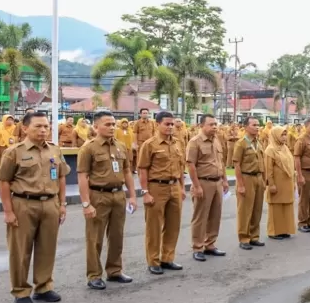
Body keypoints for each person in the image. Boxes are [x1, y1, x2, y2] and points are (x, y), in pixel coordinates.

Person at [0, 112, 69, 303]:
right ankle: (20, 291)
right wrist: (8, 211)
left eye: (46, 126)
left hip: (50, 203)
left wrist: (62, 204)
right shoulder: (14, 152)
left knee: (47, 248)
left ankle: (44, 287)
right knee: (20, 250)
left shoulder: (54, 150)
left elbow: (61, 177)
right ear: (25, 128)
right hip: (23, 203)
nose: (43, 130)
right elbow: (3, 181)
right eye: (38, 126)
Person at [77, 111, 138, 290]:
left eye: (113, 124)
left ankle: (115, 271)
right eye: (107, 124)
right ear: (96, 127)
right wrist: (86, 203)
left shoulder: (120, 146)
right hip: (98, 195)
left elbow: (127, 172)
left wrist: (132, 196)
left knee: (117, 236)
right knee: (94, 238)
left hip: (118, 195)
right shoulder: (89, 148)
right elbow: (82, 176)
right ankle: (94, 275)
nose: (112, 127)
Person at [137, 111, 187, 274]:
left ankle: (168, 258)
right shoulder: (150, 144)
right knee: (154, 226)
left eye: (172, 124)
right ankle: (153, 260)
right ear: (157, 124)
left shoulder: (178, 143)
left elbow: (180, 168)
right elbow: (142, 169)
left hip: (174, 187)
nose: (170, 127)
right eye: (167, 124)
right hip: (156, 187)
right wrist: (145, 192)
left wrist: (181, 187)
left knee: (173, 225)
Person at [186, 114, 229, 262]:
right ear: (201, 126)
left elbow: (221, 162)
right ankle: (197, 247)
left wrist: (224, 180)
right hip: (203, 182)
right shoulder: (195, 142)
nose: (215, 127)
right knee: (200, 217)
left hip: (217, 182)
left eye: (215, 124)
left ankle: (210, 244)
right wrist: (196, 186)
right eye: (211, 124)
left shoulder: (216, 140)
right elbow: (191, 165)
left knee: (215, 216)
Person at [234, 116, 267, 248]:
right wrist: (240, 185)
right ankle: (244, 238)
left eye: (258, 125)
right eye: (254, 125)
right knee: (245, 210)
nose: (257, 127)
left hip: (258, 177)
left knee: (257, 209)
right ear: (246, 127)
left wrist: (264, 180)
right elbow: (237, 165)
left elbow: (262, 162)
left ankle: (254, 236)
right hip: (246, 177)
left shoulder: (258, 143)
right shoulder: (241, 143)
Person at [264, 125, 296, 240]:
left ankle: (284, 230)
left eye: (285, 134)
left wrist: (294, 181)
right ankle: (274, 232)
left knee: (286, 206)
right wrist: (271, 184)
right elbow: (268, 170)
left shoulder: (285, 148)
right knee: (276, 208)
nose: (284, 137)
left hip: (287, 183)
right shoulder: (270, 150)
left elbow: (291, 166)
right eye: (282, 135)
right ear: (275, 136)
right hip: (277, 183)